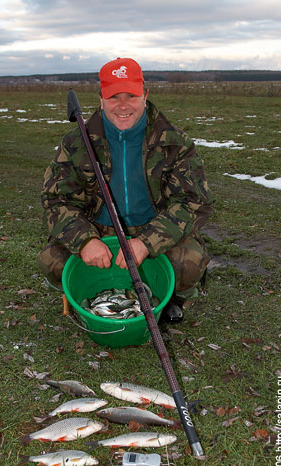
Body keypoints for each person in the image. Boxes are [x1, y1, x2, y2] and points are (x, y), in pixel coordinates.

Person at [39, 57, 213, 322]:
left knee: (188, 262)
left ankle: (171, 299)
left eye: (131, 95)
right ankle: (89, 299)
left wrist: (146, 243)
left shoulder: (175, 142)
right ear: (101, 99)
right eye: (113, 96)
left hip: (154, 228)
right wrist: (86, 240)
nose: (123, 105)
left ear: (145, 95)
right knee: (52, 260)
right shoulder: (76, 143)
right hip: (99, 231)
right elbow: (56, 201)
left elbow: (193, 202)